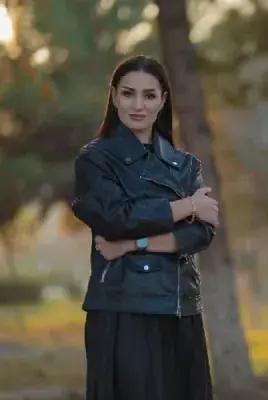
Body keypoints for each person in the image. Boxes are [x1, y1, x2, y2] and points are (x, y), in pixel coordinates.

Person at [71, 55, 219, 400]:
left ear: (163, 100)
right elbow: (116, 219)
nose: (138, 105)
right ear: (113, 96)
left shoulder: (185, 166)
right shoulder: (95, 160)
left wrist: (132, 245)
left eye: (149, 95)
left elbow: (202, 232)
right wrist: (187, 206)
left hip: (181, 307)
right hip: (123, 307)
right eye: (128, 94)